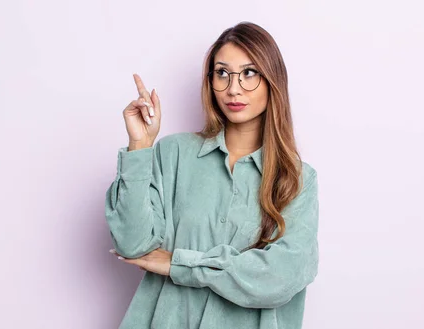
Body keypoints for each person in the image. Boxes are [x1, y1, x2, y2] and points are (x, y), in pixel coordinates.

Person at [105, 21, 319, 329]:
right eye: (222, 73)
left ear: (272, 79)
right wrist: (140, 145)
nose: (233, 88)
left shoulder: (297, 179)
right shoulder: (173, 154)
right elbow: (132, 244)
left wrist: (181, 264)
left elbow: (282, 276)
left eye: (249, 73)